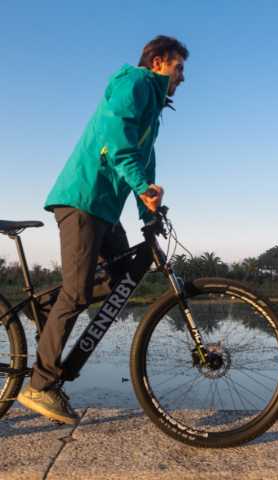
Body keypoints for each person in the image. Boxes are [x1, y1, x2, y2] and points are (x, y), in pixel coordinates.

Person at [18, 35, 188, 424]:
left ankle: (45, 307)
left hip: (104, 208)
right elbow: (115, 143)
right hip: (81, 200)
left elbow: (142, 165)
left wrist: (149, 214)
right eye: (179, 68)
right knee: (77, 293)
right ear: (159, 62)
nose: (183, 77)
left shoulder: (152, 108)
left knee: (120, 279)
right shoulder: (134, 84)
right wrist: (143, 188)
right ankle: (39, 386)